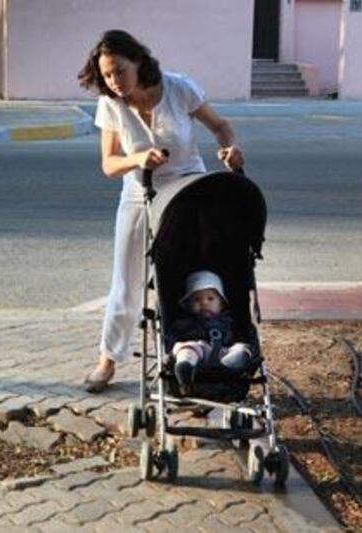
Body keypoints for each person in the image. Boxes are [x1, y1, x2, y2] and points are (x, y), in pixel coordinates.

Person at [78, 29, 245, 392]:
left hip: (189, 190)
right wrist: (139, 158)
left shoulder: (179, 88)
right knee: (127, 281)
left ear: (138, 61)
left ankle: (195, 348)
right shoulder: (110, 104)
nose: (114, 81)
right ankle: (108, 360)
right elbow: (109, 164)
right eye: (106, 75)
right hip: (140, 193)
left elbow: (220, 127)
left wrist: (231, 149)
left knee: (191, 271)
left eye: (120, 71)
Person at [169, 270, 253, 395]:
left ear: (221, 304)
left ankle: (231, 365)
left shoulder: (228, 320)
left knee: (241, 347)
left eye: (210, 298)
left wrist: (236, 341)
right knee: (186, 348)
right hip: (198, 352)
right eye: (197, 299)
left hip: (224, 353)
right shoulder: (185, 321)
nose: (204, 303)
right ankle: (185, 368)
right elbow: (173, 337)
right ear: (187, 305)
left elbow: (237, 335)